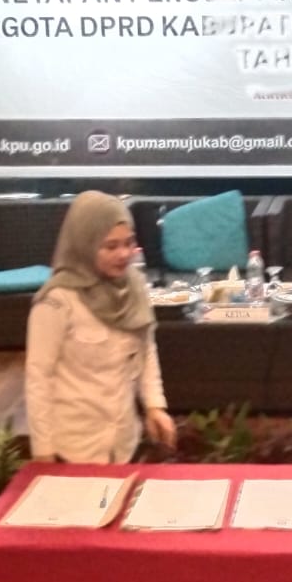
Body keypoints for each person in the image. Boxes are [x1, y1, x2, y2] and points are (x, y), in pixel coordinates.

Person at [25, 190, 176, 463]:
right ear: (84, 244)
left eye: (129, 243)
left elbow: (146, 350)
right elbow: (38, 378)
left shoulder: (134, 287)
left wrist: (155, 405)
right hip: (73, 448)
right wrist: (43, 450)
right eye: (110, 246)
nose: (123, 254)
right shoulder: (57, 300)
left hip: (124, 443)